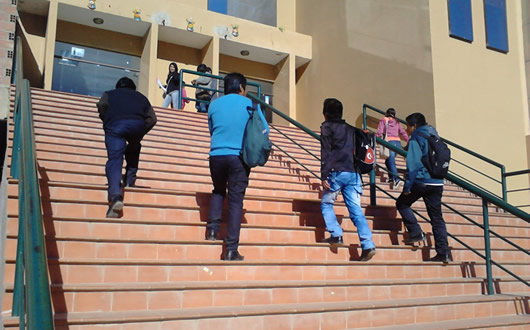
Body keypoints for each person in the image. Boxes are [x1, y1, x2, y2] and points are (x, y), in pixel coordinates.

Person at [206, 72, 269, 261]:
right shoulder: (251, 105)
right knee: (235, 201)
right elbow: (264, 130)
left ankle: (212, 230)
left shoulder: (214, 104)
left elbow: (211, 129)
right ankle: (231, 249)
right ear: (242, 87)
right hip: (238, 158)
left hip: (216, 155)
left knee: (218, 190)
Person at [320, 98, 376, 262]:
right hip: (353, 174)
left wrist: (324, 175)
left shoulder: (327, 127)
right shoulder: (351, 129)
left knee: (326, 203)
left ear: (325, 113)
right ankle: (368, 244)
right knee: (356, 211)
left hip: (336, 173)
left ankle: (336, 235)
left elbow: (326, 152)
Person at [97, 77, 157, 218]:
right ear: (133, 87)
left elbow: (102, 106)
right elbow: (152, 118)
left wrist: (107, 119)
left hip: (115, 126)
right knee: (134, 147)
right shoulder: (141, 98)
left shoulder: (109, 94)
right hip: (136, 125)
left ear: (118, 86)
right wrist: (142, 130)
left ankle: (116, 196)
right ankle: (130, 180)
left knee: (115, 159)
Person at [396, 112, 450, 262]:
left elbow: (413, 165)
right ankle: (443, 252)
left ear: (413, 126)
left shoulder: (416, 138)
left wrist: (407, 187)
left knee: (402, 203)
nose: (406, 130)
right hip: (437, 182)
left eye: (407, 127)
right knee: (437, 218)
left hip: (422, 180)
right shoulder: (433, 134)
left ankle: (415, 232)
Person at [376, 108, 409, 189]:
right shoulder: (397, 122)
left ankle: (397, 179)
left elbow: (380, 131)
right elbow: (403, 132)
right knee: (388, 161)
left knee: (391, 162)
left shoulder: (384, 120)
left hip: (389, 142)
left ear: (386, 113)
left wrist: (376, 139)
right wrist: (408, 140)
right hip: (397, 143)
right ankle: (391, 178)